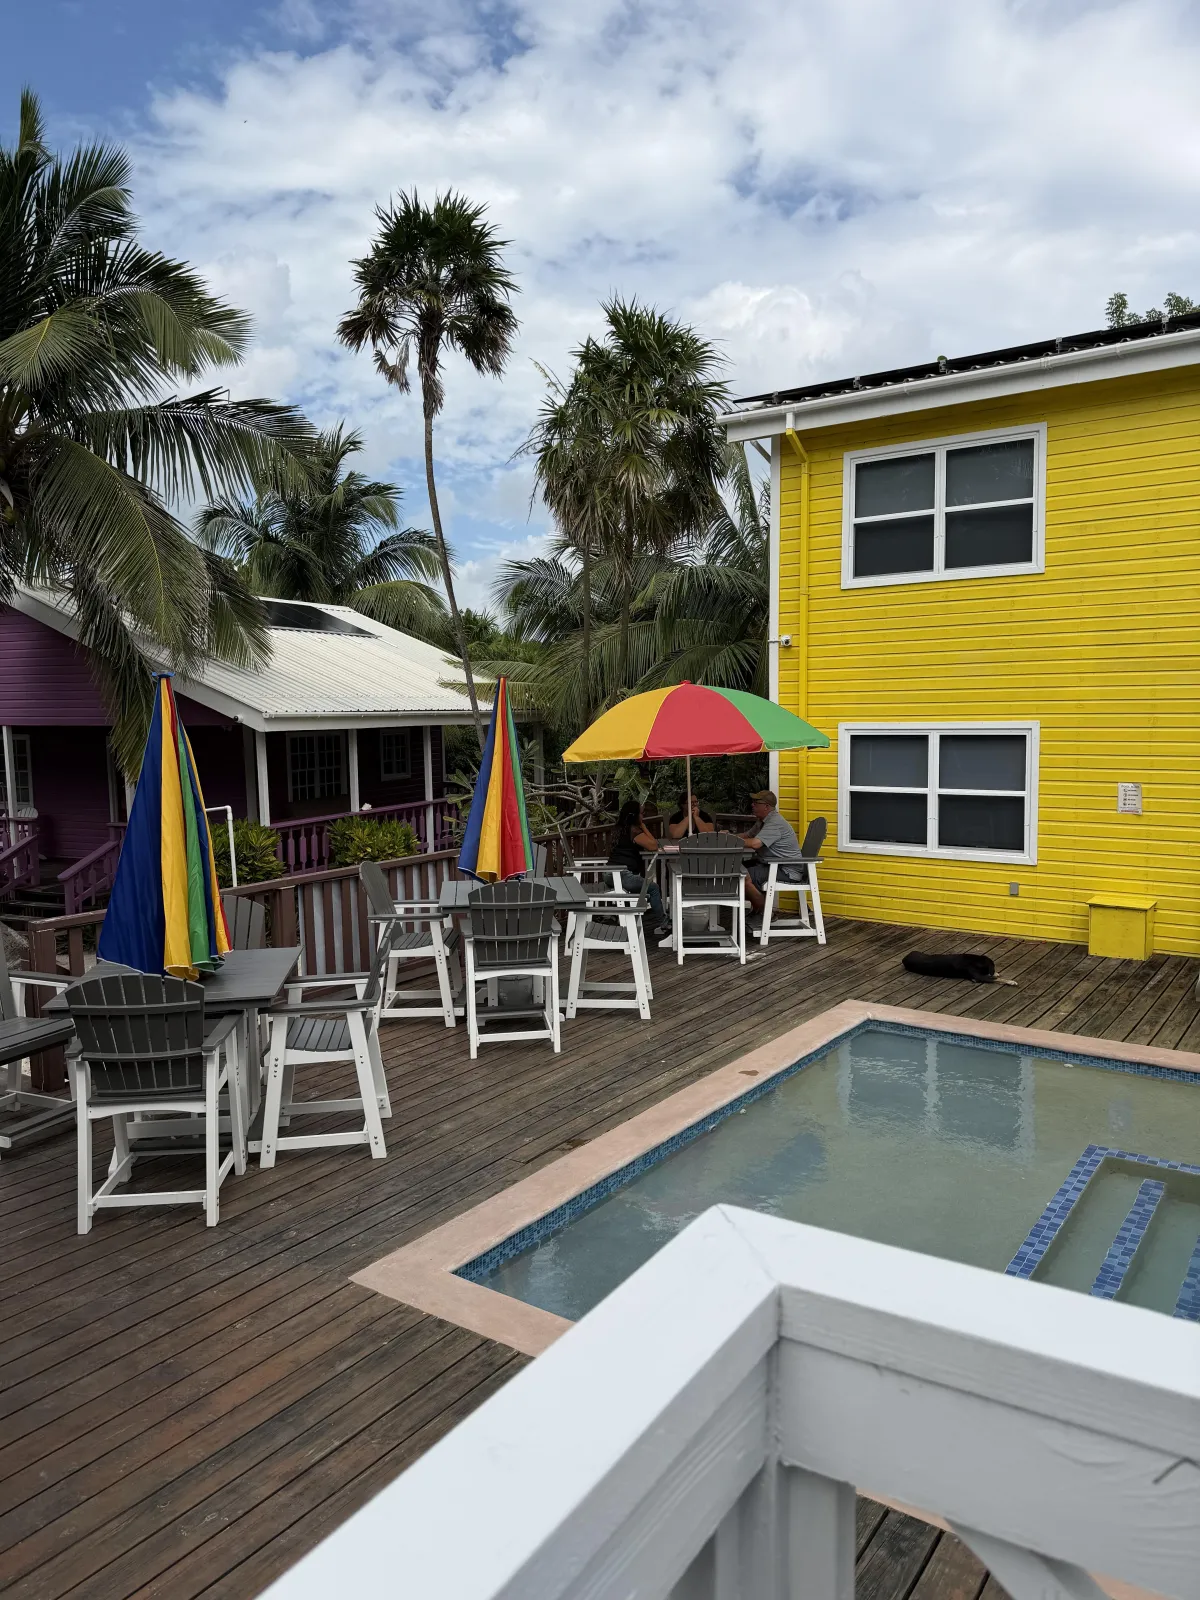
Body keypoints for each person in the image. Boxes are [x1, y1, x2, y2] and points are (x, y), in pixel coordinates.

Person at [606, 801, 671, 936]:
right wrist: (643, 826)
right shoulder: (633, 830)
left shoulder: (619, 828)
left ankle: (662, 921)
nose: (643, 816)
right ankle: (665, 923)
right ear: (634, 815)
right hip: (621, 874)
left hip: (610, 873)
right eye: (641, 814)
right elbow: (653, 845)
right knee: (653, 888)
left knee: (647, 887)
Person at [738, 789, 806, 915]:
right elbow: (747, 835)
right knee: (736, 869)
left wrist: (732, 842)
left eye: (756, 803)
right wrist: (727, 837)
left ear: (766, 807)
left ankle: (765, 911)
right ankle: (760, 909)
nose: (752, 805)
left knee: (740, 876)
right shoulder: (762, 821)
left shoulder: (774, 822)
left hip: (786, 871)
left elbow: (755, 843)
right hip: (773, 865)